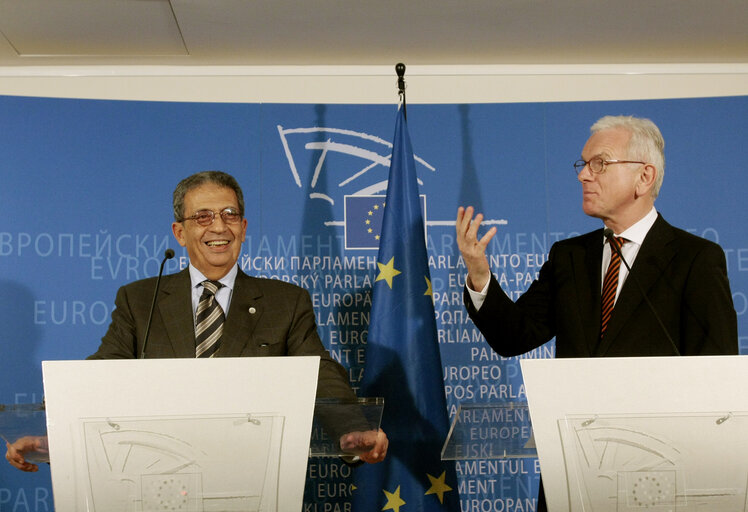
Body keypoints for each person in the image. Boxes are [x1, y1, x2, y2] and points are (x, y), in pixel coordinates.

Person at [7, 170, 388, 472]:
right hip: (157, 474)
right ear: (180, 232)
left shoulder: (284, 302)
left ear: (243, 226)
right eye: (202, 217)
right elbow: (104, 372)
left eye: (229, 215)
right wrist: (47, 432)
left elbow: (318, 371)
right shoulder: (141, 300)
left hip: (255, 474)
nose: (218, 227)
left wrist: (351, 428)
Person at [456, 115, 738, 510]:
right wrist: (480, 275)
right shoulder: (569, 257)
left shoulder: (695, 260)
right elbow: (513, 336)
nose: (583, 175)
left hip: (659, 478)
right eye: (583, 164)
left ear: (644, 177)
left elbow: (715, 376)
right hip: (574, 475)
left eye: (599, 164)